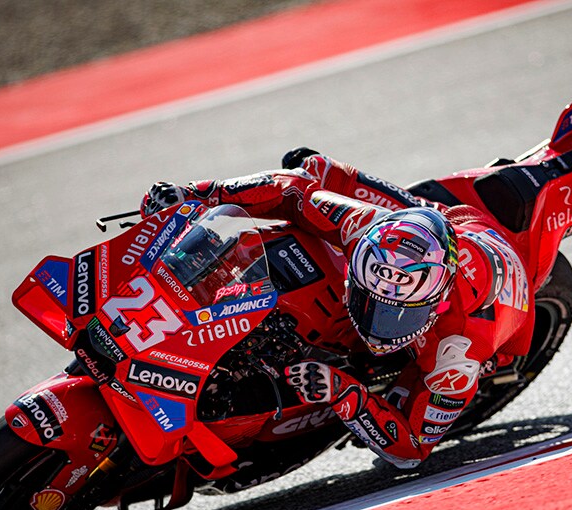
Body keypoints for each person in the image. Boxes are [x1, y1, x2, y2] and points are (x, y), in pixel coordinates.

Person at [140, 150, 534, 468]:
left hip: (496, 292)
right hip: (440, 228)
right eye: (371, 296)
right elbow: (291, 189)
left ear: (436, 298)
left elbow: (412, 449)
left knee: (413, 393)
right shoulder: (365, 227)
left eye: (400, 310)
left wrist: (342, 391)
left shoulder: (460, 347)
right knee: (314, 166)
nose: (381, 323)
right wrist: (197, 193)